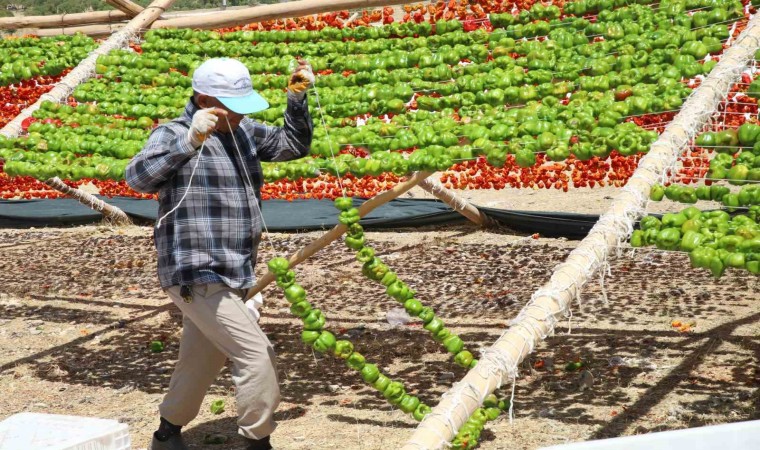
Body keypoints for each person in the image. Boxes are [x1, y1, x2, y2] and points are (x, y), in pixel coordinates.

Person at [125, 57, 314, 450]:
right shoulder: (173, 132)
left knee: (202, 356)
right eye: (233, 106)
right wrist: (189, 142)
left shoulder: (242, 131)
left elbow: (294, 145)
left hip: (234, 268)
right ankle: (256, 440)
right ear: (205, 98)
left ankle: (167, 432)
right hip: (194, 269)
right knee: (256, 353)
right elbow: (137, 178)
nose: (241, 115)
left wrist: (296, 97)